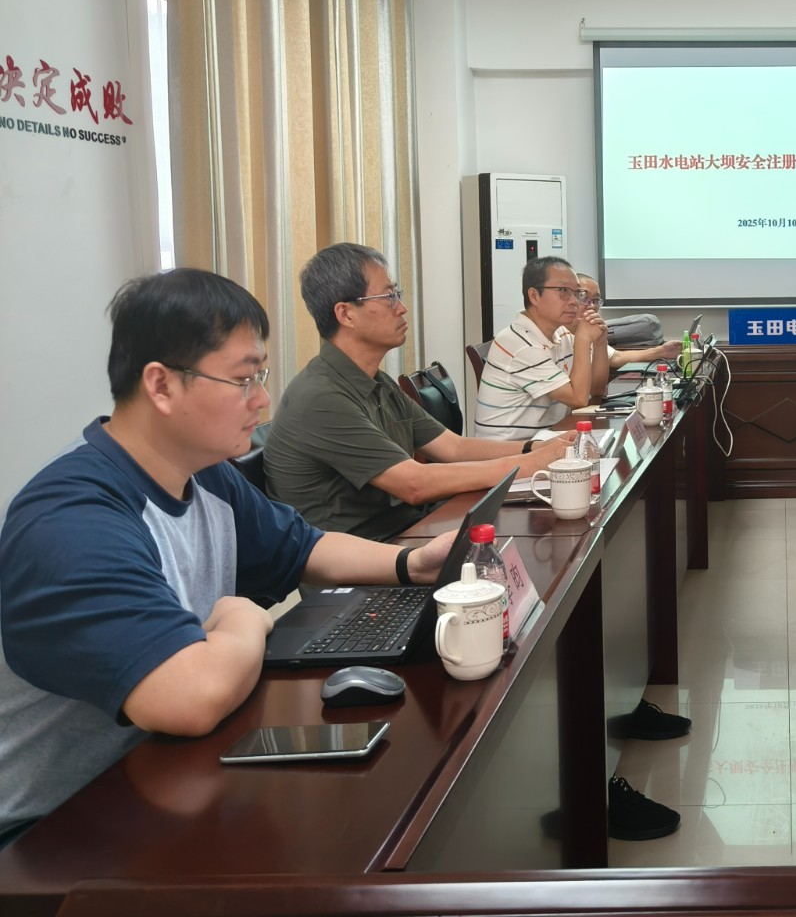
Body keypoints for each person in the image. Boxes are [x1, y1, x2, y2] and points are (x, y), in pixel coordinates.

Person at [0, 269, 464, 848]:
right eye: (244, 380)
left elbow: (303, 545)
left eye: (260, 377)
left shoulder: (202, 472)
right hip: (51, 832)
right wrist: (245, 616)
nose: (263, 400)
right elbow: (189, 697)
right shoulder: (72, 518)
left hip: (167, 770)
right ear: (161, 385)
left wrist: (410, 565)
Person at [266, 243, 572, 537]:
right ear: (346, 314)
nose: (401, 308)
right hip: (369, 554)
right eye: (388, 297)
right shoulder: (321, 397)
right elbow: (414, 484)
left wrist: (536, 448)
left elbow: (453, 448)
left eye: (397, 295)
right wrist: (528, 464)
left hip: (410, 530)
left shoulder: (376, 381)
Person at [474, 257, 610, 437]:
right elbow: (579, 399)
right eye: (563, 291)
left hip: (545, 437)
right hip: (512, 448)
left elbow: (596, 390)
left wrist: (600, 343)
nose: (574, 301)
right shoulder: (521, 344)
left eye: (577, 293)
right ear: (534, 296)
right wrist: (583, 340)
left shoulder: (560, 332)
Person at [575, 274, 677, 372]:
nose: (592, 306)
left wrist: (662, 351)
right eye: (583, 297)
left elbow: (616, 357)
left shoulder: (592, 333)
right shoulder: (566, 336)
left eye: (596, 300)